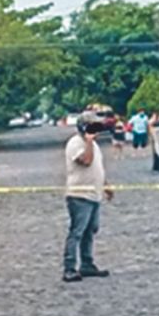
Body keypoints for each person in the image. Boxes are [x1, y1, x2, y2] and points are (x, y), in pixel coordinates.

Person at [63, 112, 114, 282]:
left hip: (94, 194)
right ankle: (69, 267)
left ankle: (87, 264)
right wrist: (89, 142)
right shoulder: (76, 144)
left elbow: (97, 167)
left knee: (90, 230)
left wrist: (106, 185)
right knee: (77, 231)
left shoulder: (94, 145)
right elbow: (86, 161)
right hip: (79, 194)